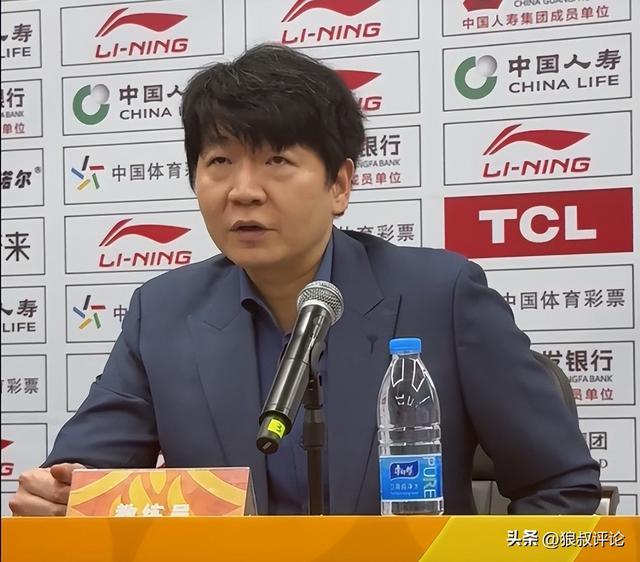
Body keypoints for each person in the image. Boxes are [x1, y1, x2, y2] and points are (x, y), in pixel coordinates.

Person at [9, 44, 600, 517]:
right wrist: (61, 493)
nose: (244, 190)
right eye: (219, 162)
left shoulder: (441, 294)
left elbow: (561, 487)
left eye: (277, 161)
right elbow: (85, 473)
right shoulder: (162, 312)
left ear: (339, 184)